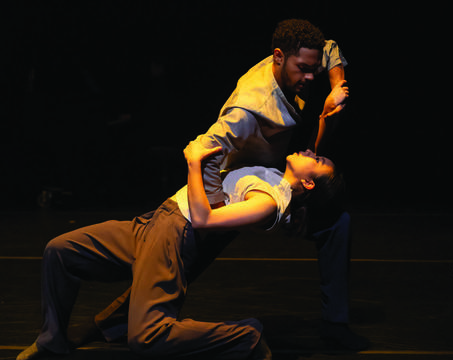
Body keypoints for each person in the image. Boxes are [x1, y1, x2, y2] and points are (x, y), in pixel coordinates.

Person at [91, 19, 368, 351]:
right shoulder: (247, 108)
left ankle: (335, 324)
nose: (311, 76)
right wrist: (213, 200)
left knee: (337, 222)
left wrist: (337, 85)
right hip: (242, 181)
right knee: (191, 249)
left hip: (280, 174)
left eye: (314, 69)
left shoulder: (301, 58)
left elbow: (331, 48)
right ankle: (127, 320)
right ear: (279, 58)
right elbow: (208, 147)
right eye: (305, 69)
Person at [17, 142, 341, 360]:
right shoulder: (273, 174)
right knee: (59, 251)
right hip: (154, 221)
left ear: (309, 183)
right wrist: (327, 113)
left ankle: (247, 337)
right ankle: (53, 340)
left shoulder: (270, 202)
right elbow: (313, 142)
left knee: (147, 338)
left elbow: (204, 220)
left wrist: (194, 163)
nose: (311, 150)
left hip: (175, 231)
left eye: (318, 160)